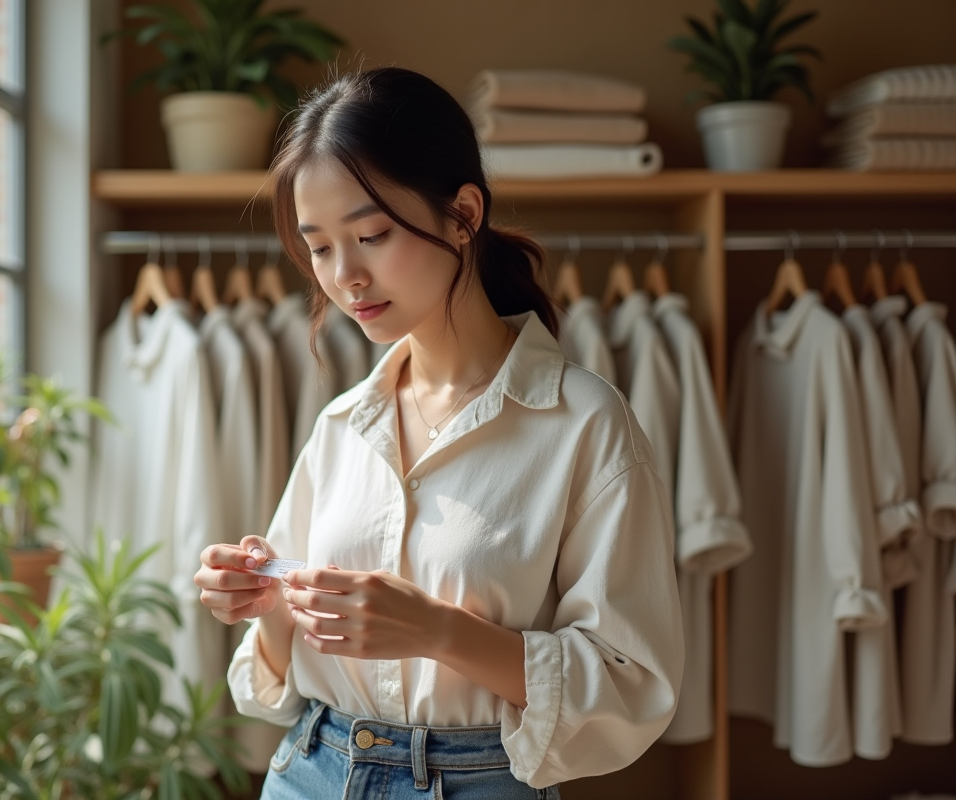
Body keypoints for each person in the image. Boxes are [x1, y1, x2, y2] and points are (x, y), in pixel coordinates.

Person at [194, 66, 683, 799]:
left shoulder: (584, 423)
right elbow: (281, 667)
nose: (345, 275)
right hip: (311, 770)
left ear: (463, 214)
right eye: (320, 247)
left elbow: (628, 682)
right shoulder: (343, 424)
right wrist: (265, 605)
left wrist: (436, 631)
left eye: (372, 234)